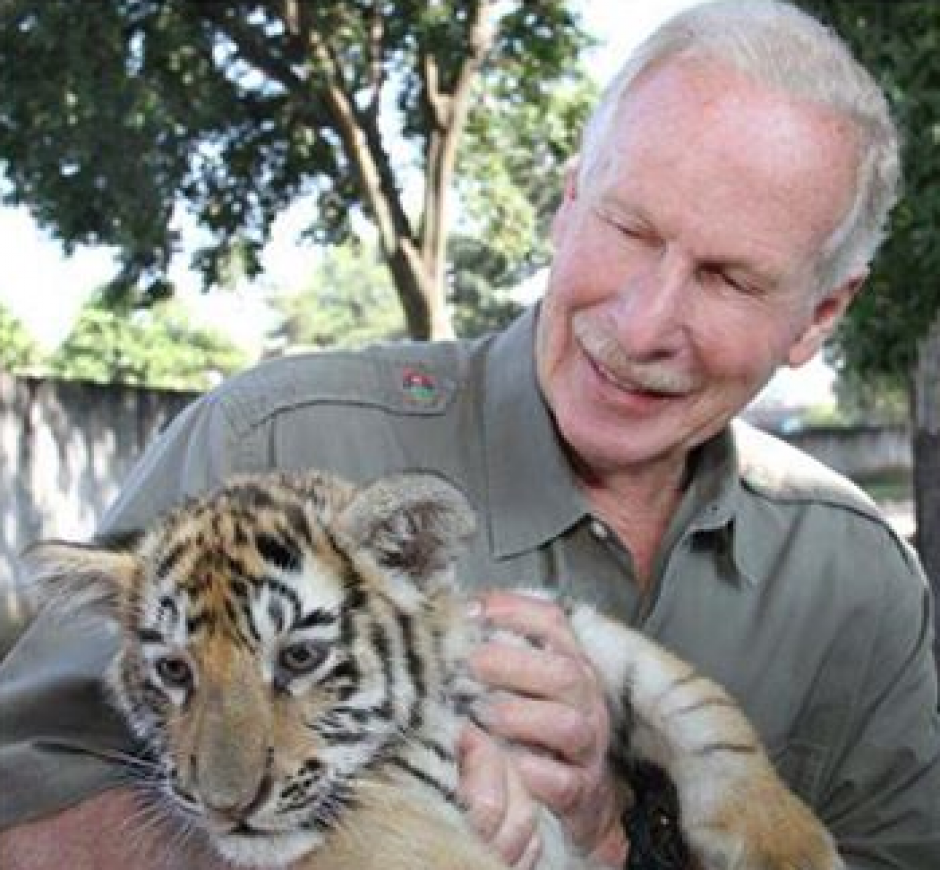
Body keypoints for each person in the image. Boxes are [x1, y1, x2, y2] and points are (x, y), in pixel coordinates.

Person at [1, 0, 939, 867]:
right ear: (568, 202)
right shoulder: (261, 442)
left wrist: (611, 837)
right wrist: (352, 827)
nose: (645, 325)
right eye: (626, 226)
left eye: (730, 278)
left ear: (822, 314)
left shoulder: (854, 580)